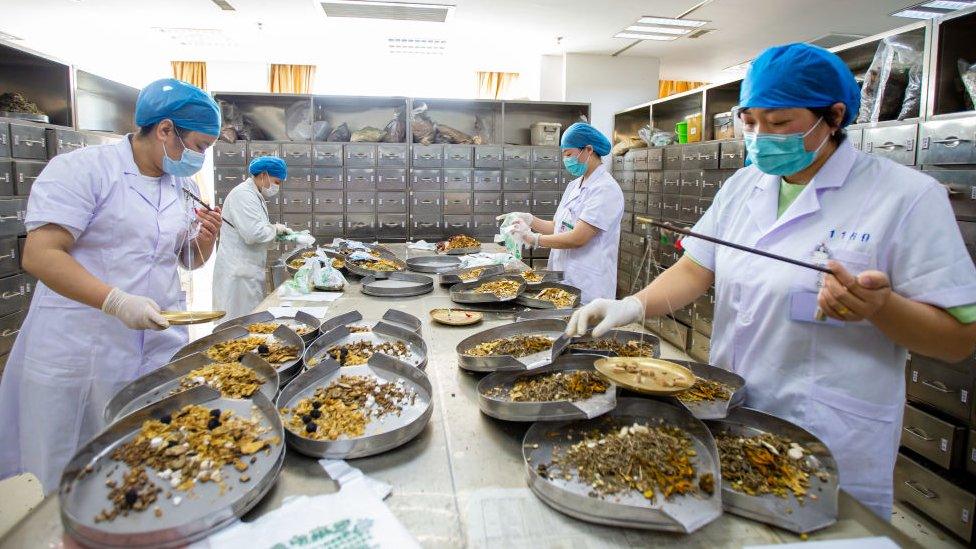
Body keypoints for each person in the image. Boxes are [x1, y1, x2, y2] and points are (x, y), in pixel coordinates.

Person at [566, 43, 976, 519]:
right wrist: (633, 306)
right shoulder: (745, 185)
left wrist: (880, 308)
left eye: (779, 123)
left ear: (834, 116)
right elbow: (697, 267)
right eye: (750, 121)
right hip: (727, 409)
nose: (760, 136)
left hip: (827, 429)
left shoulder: (904, 197)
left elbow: (958, 338)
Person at [0, 78, 223, 493]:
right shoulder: (83, 169)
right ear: (165, 130)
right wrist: (116, 302)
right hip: (82, 346)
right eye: (199, 145)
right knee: (64, 474)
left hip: (155, 344)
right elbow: (41, 254)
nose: (200, 157)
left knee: (144, 461)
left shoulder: (183, 186)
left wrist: (204, 241)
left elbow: (184, 258)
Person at [502, 122, 624, 303]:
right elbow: (557, 227)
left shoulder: (605, 189)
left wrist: (534, 239)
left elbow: (578, 238)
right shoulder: (574, 186)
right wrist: (530, 220)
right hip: (564, 279)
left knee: (584, 330)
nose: (566, 160)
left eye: (569, 154)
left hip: (589, 286)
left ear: (588, 150)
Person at [213, 156, 292, 319]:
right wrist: (276, 230)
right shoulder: (243, 195)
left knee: (250, 324)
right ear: (263, 175)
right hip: (238, 274)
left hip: (248, 270)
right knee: (237, 327)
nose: (277, 187)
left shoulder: (255, 195)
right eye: (276, 182)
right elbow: (253, 233)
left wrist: (276, 236)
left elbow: (259, 231)